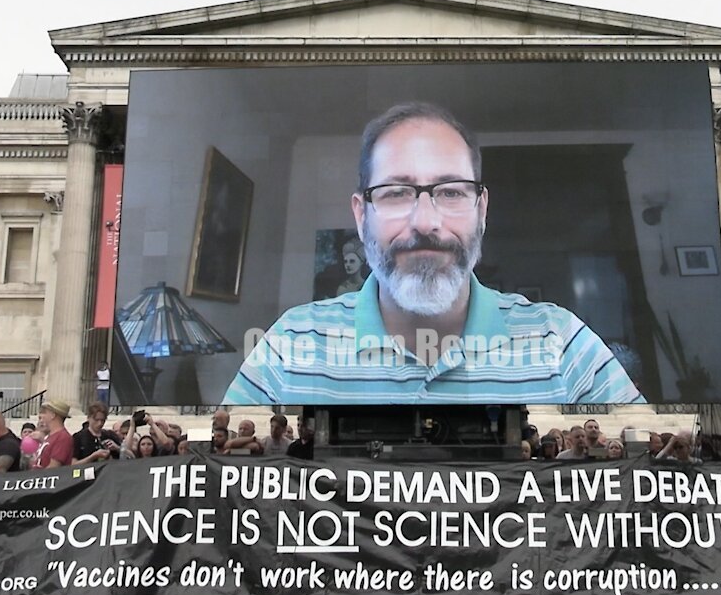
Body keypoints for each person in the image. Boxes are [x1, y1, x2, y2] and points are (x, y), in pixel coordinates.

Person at [224, 102, 643, 405]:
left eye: (450, 192)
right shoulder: (286, 348)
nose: (425, 222)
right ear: (360, 215)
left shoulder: (563, 344)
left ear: (481, 211)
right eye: (395, 192)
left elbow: (655, 498)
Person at [32, 400, 73, 470]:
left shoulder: (63, 437)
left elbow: (54, 467)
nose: (42, 416)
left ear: (52, 415)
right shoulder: (49, 436)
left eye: (45, 413)